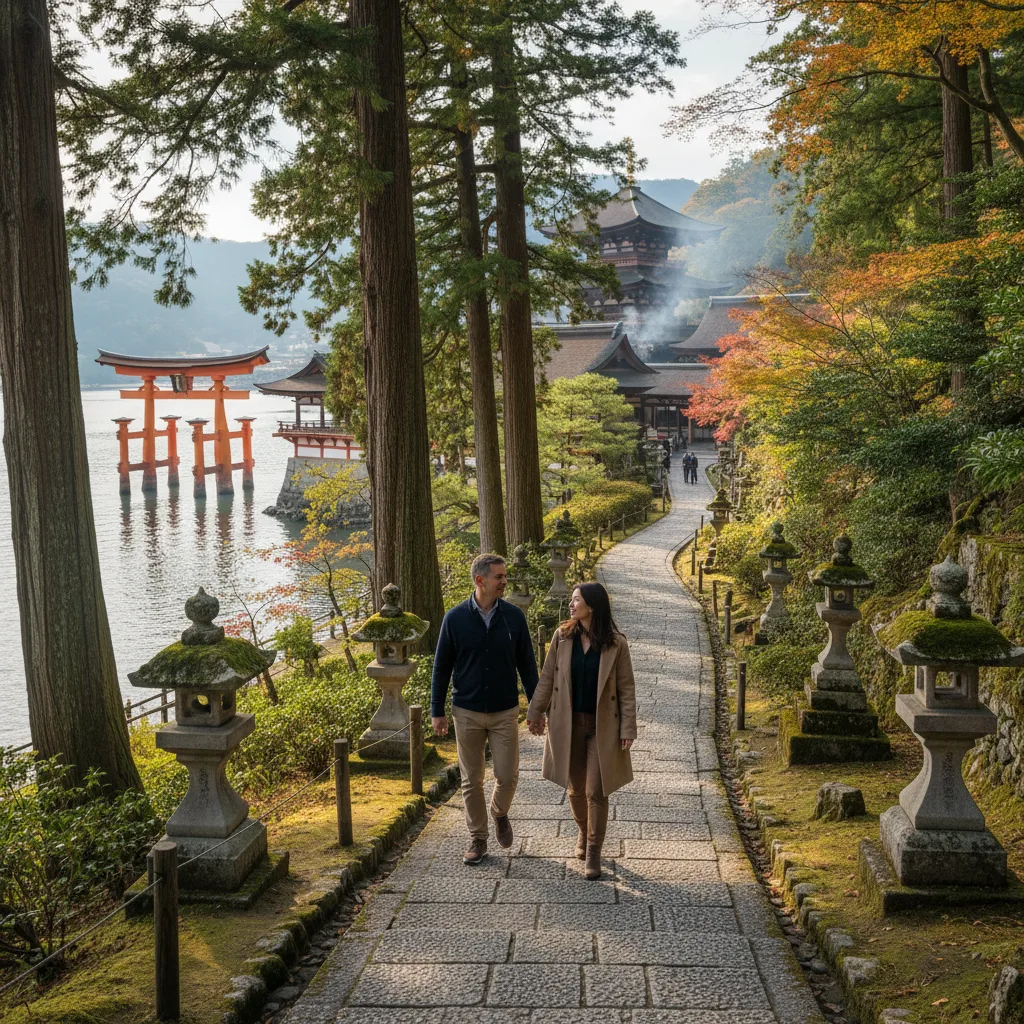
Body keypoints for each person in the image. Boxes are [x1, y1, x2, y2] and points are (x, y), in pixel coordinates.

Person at [431, 553, 538, 865]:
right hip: (466, 711)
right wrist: (437, 710)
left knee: (507, 776)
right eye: (499, 577)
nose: (505, 582)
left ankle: (499, 812)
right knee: (471, 779)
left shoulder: (514, 617)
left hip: (506, 711)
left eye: (504, 577)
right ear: (480, 581)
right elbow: (441, 668)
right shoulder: (454, 619)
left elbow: (528, 667)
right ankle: (478, 838)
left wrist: (536, 708)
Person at [526, 582, 636, 880]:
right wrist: (535, 711)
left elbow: (626, 689)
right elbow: (548, 677)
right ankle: (584, 831)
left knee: (595, 791)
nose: (571, 605)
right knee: (574, 790)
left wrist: (628, 728)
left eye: (577, 600)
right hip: (568, 724)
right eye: (572, 600)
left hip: (603, 727)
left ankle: (593, 851)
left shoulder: (616, 643)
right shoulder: (562, 637)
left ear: (593, 605)